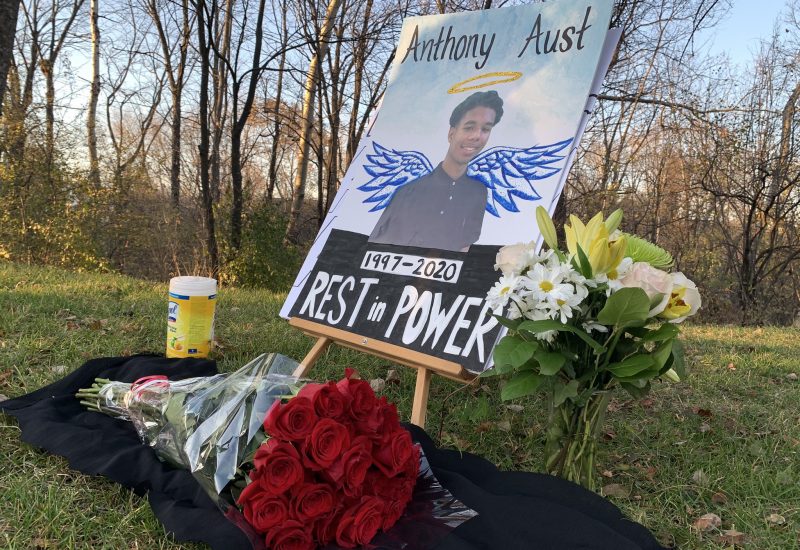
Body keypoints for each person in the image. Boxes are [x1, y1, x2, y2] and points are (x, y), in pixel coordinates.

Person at [368, 90, 504, 252]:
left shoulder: (478, 192)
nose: (477, 136)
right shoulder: (409, 191)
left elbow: (466, 247)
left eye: (486, 129)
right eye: (469, 127)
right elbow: (377, 245)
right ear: (451, 134)